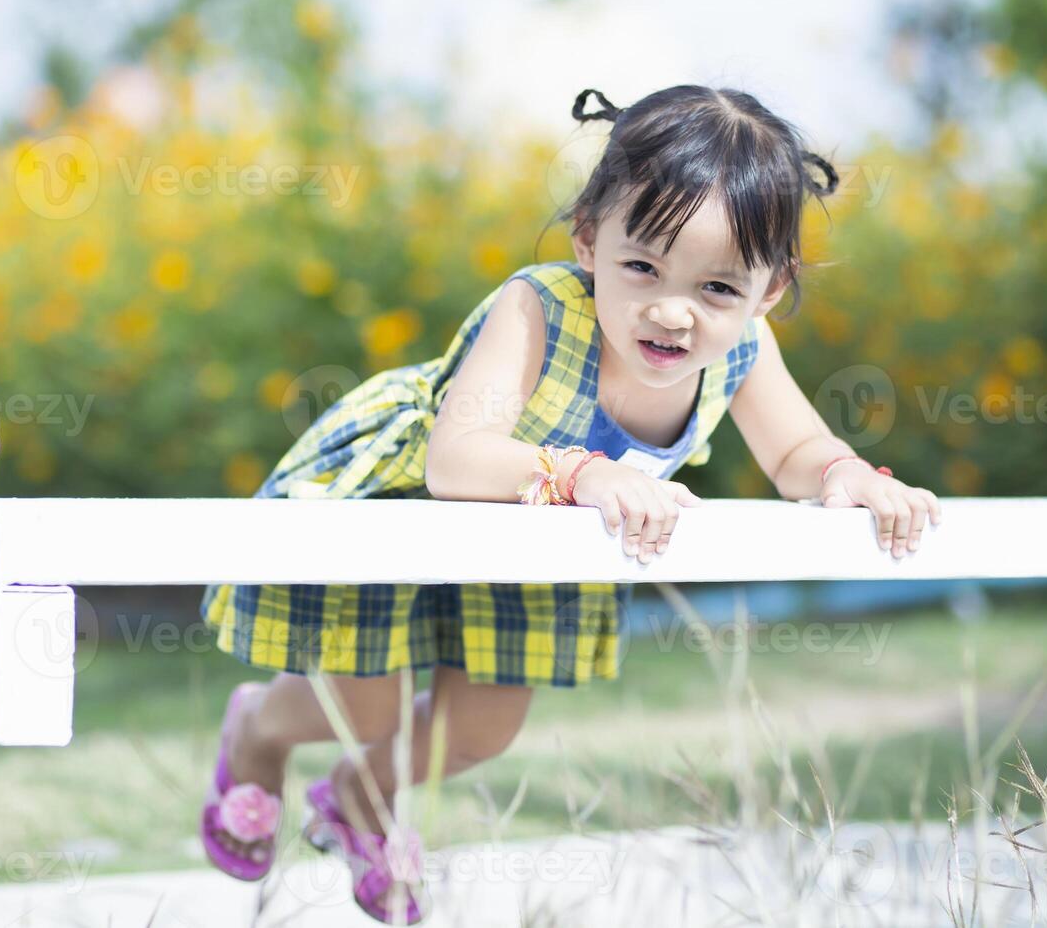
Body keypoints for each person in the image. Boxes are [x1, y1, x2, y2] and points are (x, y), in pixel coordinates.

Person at [196, 84, 943, 923]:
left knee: (481, 727)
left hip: (533, 544)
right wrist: (583, 474)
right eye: (642, 267)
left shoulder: (742, 354)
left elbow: (798, 453)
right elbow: (458, 459)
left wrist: (848, 475)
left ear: (770, 292)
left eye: (720, 290)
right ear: (589, 240)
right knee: (361, 702)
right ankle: (258, 729)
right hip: (407, 507)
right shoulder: (542, 307)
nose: (672, 311)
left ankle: (360, 798)